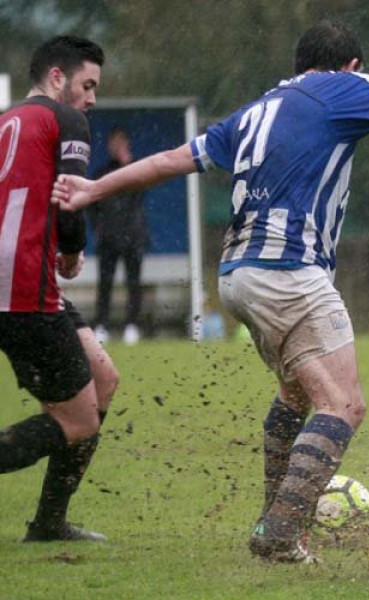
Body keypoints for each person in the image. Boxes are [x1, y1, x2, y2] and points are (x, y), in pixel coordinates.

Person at [52, 21, 369, 562]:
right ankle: (281, 531)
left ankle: (277, 517)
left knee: (295, 395)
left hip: (237, 275)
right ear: (352, 67)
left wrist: (94, 187)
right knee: (343, 404)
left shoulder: (253, 112)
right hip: (288, 270)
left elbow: (169, 162)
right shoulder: (341, 87)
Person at [0, 35, 120, 542]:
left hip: (26, 282)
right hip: (22, 287)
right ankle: (49, 524)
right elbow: (67, 197)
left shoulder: (6, 119)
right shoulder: (65, 120)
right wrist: (71, 251)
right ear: (56, 76)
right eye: (87, 84)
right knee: (78, 422)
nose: (91, 98)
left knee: (104, 380)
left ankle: (49, 522)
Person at [88, 125, 147, 346]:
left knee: (133, 283)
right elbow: (92, 206)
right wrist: (98, 228)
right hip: (109, 240)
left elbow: (138, 195)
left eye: (121, 142)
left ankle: (132, 326)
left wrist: (128, 165)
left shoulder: (137, 170)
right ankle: (101, 325)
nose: (117, 147)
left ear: (127, 145)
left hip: (133, 238)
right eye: (114, 143)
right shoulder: (101, 173)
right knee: (105, 283)